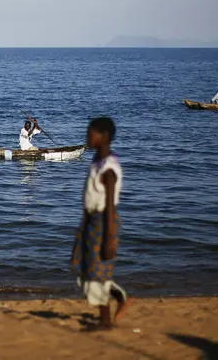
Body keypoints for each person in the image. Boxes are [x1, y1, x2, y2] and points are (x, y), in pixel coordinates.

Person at [71, 117, 131, 330]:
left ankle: (105, 320)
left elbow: (110, 208)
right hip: (90, 218)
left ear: (104, 137)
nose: (87, 136)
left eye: (92, 133)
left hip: (103, 221)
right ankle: (118, 295)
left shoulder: (108, 170)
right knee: (80, 263)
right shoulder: (97, 160)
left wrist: (109, 239)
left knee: (97, 271)